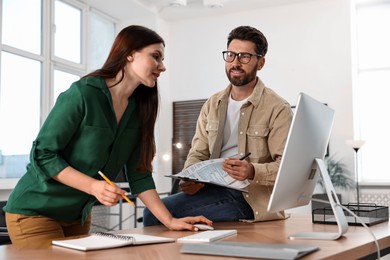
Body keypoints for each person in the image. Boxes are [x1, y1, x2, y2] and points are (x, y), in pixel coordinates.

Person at [3, 25, 211, 249]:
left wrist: (170, 220)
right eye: (156, 57)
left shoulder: (140, 110)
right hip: (36, 211)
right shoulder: (83, 93)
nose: (162, 66)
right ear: (130, 53)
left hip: (78, 218)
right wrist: (94, 187)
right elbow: (43, 154)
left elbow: (139, 174)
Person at [143, 25, 293, 226]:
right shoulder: (212, 104)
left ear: (261, 62)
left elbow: (287, 168)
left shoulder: (278, 108)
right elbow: (198, 153)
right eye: (230, 55)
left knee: (153, 215)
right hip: (211, 188)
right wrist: (190, 178)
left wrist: (252, 171)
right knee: (158, 208)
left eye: (244, 57)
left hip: (248, 198)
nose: (235, 63)